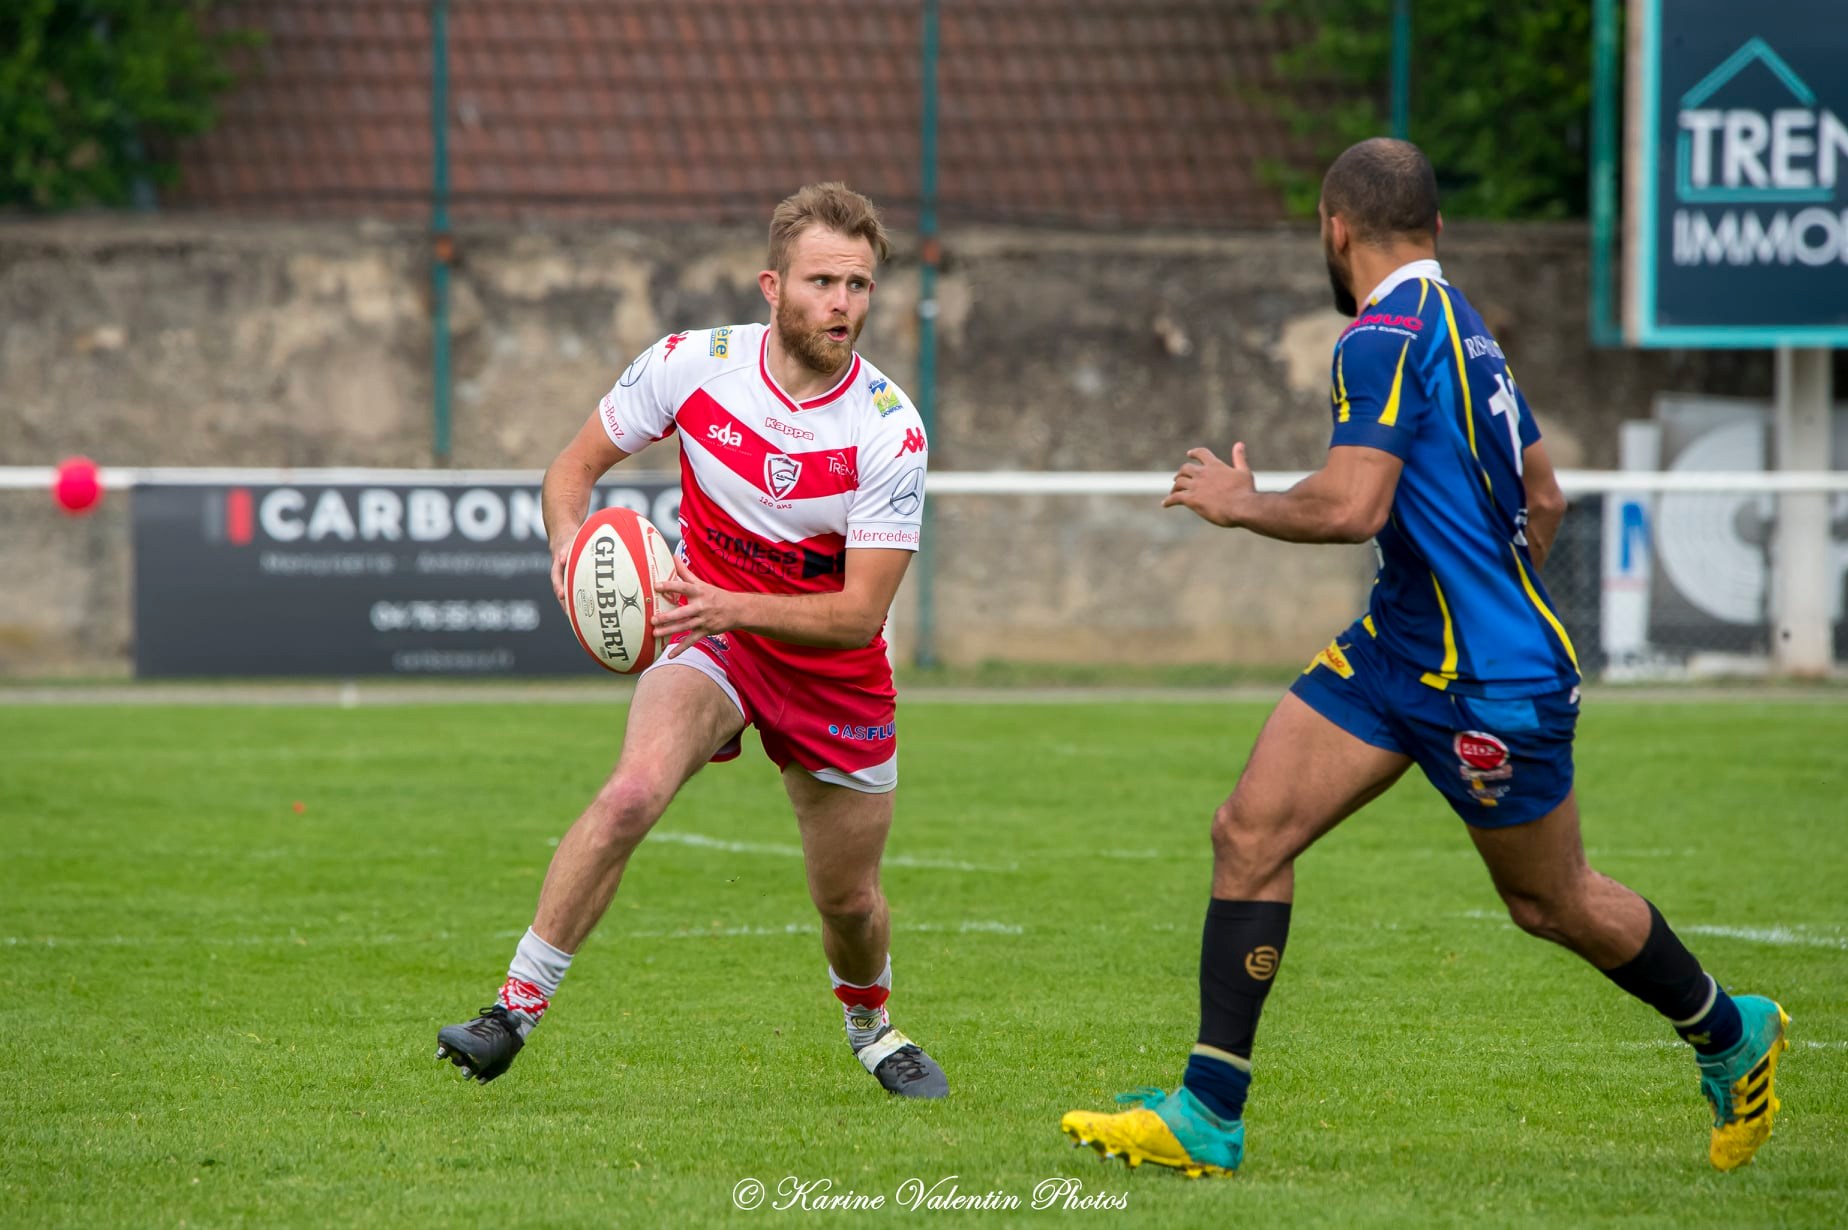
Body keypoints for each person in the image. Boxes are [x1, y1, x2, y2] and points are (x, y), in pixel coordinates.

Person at [1060, 139, 1788, 1175]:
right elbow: (1544, 496)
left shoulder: (1379, 335)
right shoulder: (1466, 326)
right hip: (1400, 650)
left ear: (1335, 228)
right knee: (1249, 831)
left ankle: (1728, 1030)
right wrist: (1472, 596)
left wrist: (1243, 503)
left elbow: (1356, 505)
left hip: (1491, 683)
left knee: (1550, 901)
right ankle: (1208, 1108)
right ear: (1437, 230)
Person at [436, 182, 947, 1098]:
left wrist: (727, 605)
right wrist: (571, 553)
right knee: (631, 794)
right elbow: (574, 467)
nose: (843, 305)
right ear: (771, 285)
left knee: (849, 900)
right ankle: (510, 1011)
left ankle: (871, 1026)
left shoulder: (888, 430)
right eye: (824, 282)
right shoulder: (690, 365)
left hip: (831, 672)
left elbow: (859, 616)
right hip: (709, 639)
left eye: (860, 286)